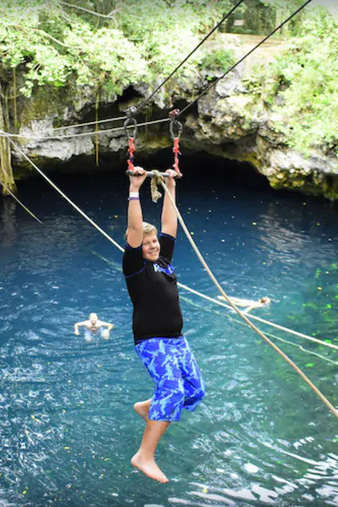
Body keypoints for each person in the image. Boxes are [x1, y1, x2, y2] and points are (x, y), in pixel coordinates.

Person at [122, 167, 205, 484]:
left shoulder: (164, 260)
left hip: (176, 339)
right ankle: (144, 455)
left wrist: (170, 184)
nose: (154, 246)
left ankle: (148, 407)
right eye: (147, 244)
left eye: (154, 241)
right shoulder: (135, 268)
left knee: (195, 392)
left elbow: (170, 224)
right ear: (137, 249)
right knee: (171, 391)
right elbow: (134, 227)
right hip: (151, 341)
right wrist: (135, 188)